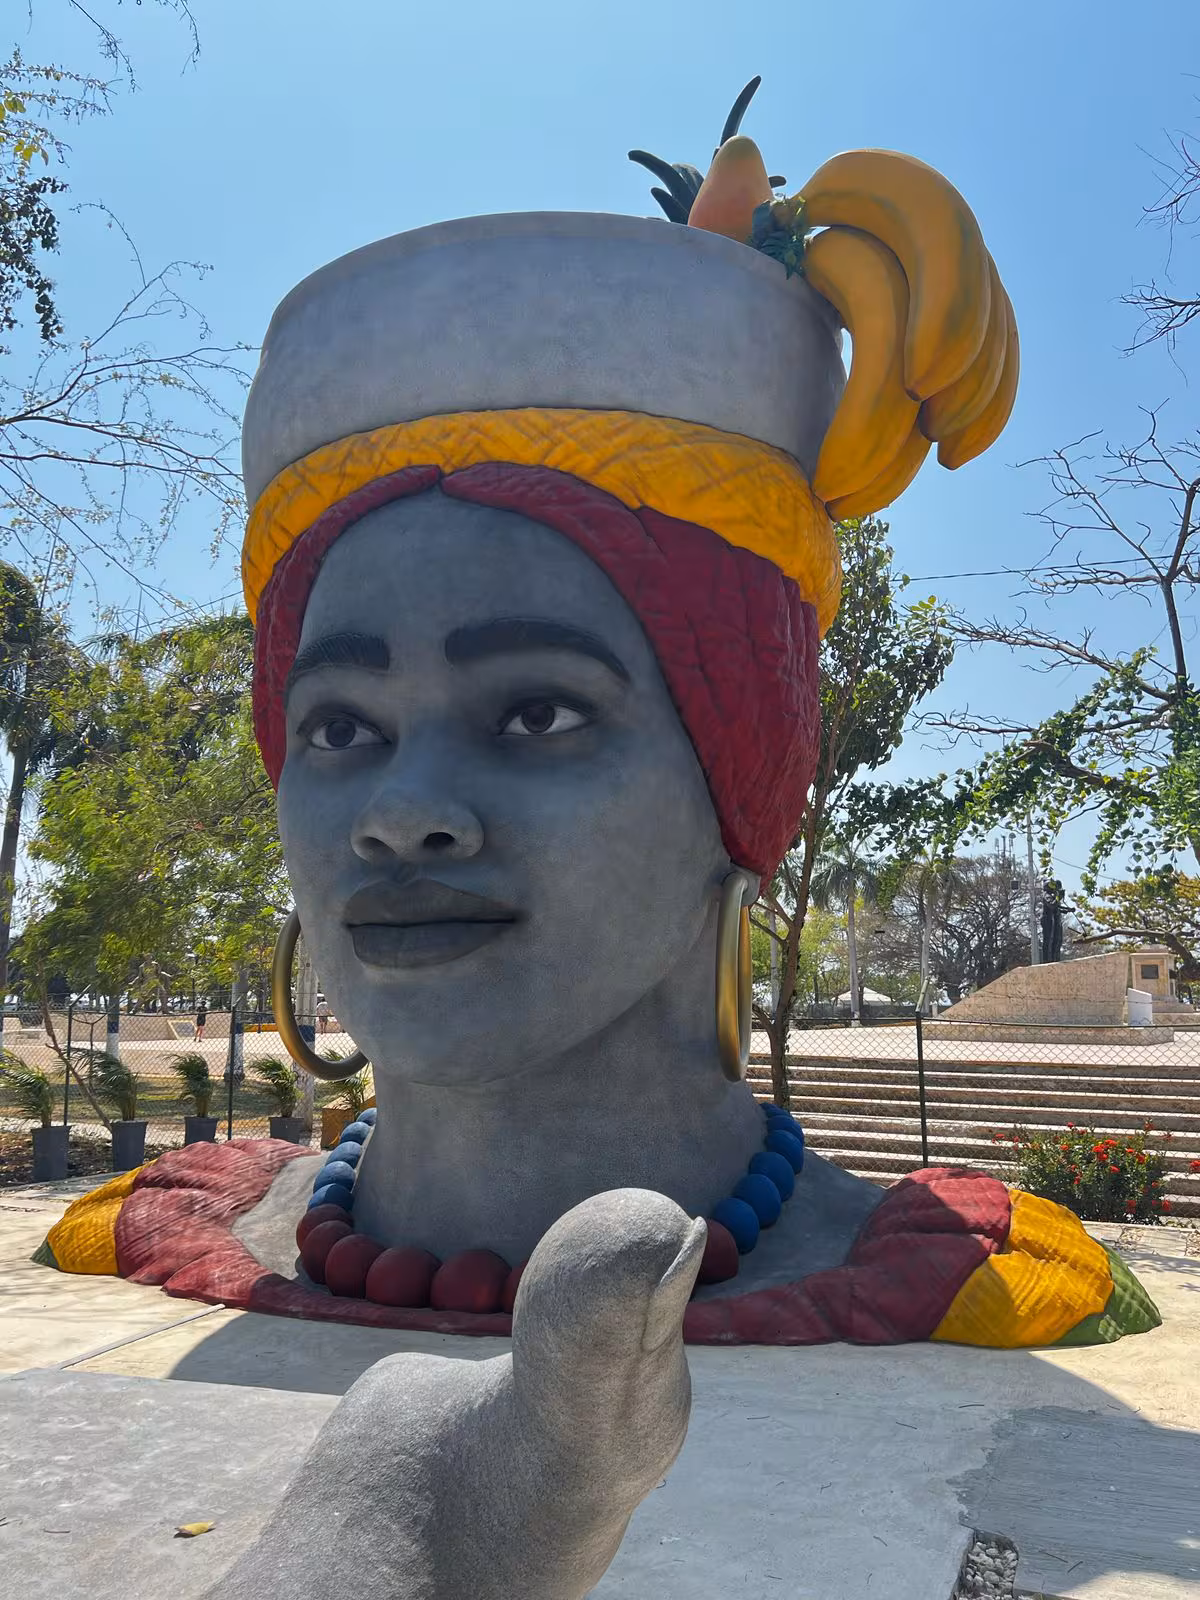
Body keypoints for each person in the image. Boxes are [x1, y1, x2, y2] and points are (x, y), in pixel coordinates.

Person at [37, 147, 1158, 1351]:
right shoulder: (114, 1252)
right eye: (341, 727)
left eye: (538, 713)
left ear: (747, 783)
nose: (401, 814)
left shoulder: (990, 1302)